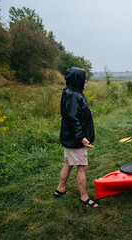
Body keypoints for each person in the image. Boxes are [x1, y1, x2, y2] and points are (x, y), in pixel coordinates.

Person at [53, 67, 98, 208]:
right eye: (84, 78)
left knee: (69, 162)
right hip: (75, 138)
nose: (86, 80)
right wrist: (81, 137)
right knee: (82, 166)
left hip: (70, 136)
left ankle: (60, 189)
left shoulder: (71, 91)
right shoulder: (73, 95)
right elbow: (73, 118)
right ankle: (84, 197)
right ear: (77, 79)